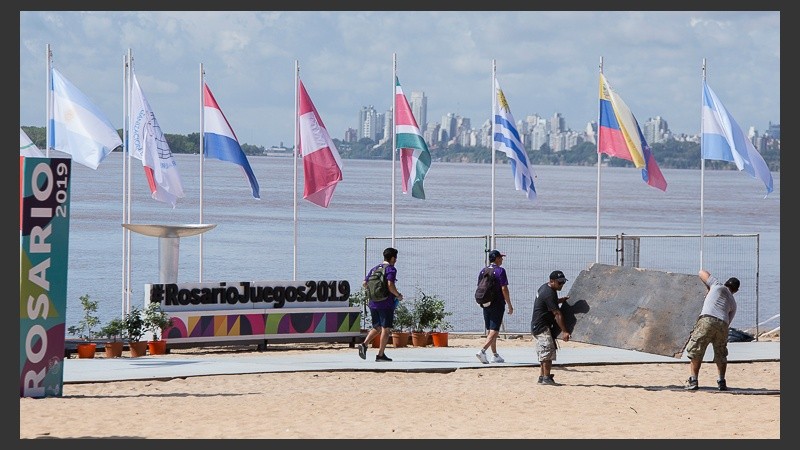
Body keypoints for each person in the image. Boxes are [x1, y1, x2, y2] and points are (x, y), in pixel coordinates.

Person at [684, 269, 739, 391]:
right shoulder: (733, 303)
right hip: (723, 324)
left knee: (697, 349)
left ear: (726, 283)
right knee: (721, 353)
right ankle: (721, 381)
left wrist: (709, 288)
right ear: (735, 290)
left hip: (707, 319)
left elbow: (700, 272)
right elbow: (728, 321)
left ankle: (693, 380)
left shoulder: (716, 285)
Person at [358, 247, 404, 362]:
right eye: (396, 258)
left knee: (377, 327)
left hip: (373, 302)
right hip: (386, 303)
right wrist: (398, 295)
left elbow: (364, 283)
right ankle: (380, 355)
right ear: (393, 258)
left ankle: (364, 344)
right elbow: (390, 285)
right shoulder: (390, 269)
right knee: (386, 328)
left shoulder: (375, 268)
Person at [530, 270, 571, 385]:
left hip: (537, 326)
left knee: (544, 352)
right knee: (547, 352)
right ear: (551, 281)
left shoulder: (545, 288)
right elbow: (557, 314)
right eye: (559, 282)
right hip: (542, 327)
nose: (562, 284)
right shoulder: (549, 293)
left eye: (563, 282)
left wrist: (559, 300)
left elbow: (547, 302)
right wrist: (565, 331)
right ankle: (546, 378)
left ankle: (542, 376)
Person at [475, 249, 513, 364]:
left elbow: (479, 286)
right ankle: (482, 351)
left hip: (485, 302)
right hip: (497, 303)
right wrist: (510, 305)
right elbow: (504, 288)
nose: (502, 259)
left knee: (490, 330)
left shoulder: (483, 270)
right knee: (495, 330)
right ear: (496, 258)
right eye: (500, 257)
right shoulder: (500, 271)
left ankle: (495, 355)